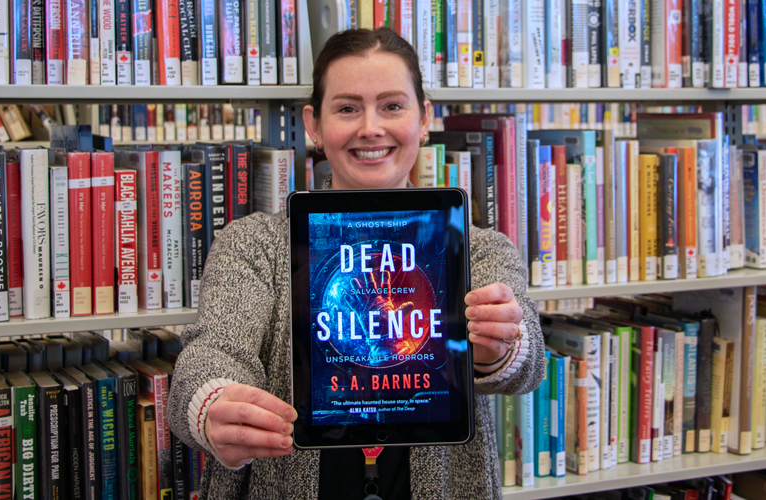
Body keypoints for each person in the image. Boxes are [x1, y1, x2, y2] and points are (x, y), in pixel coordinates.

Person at [168, 27, 545, 499]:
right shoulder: (254, 244)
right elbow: (211, 353)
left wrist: (503, 346)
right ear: (314, 125)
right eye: (347, 108)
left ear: (424, 118)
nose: (371, 127)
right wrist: (213, 405)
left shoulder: (476, 248)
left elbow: (529, 358)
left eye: (392, 105)